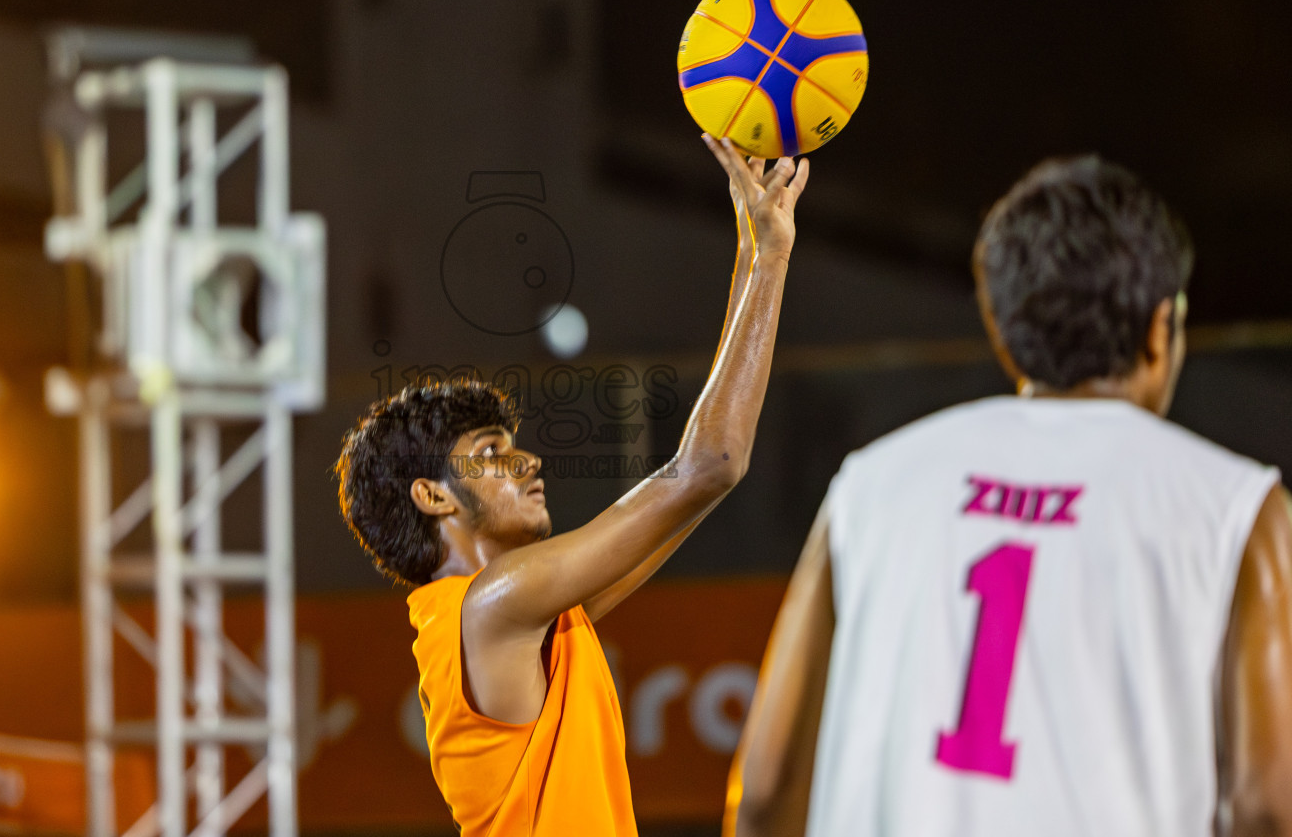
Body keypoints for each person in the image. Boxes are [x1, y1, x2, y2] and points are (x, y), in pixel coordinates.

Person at [725, 155, 1292, 837]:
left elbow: (765, 790)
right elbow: (1269, 807)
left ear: (1002, 327)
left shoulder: (874, 481)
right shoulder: (1235, 506)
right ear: (1159, 328)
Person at [334, 136, 807, 834]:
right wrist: (770, 256)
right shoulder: (494, 605)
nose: (528, 463)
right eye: (491, 452)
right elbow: (711, 465)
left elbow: (701, 485)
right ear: (432, 496)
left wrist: (749, 244)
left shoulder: (517, 618)